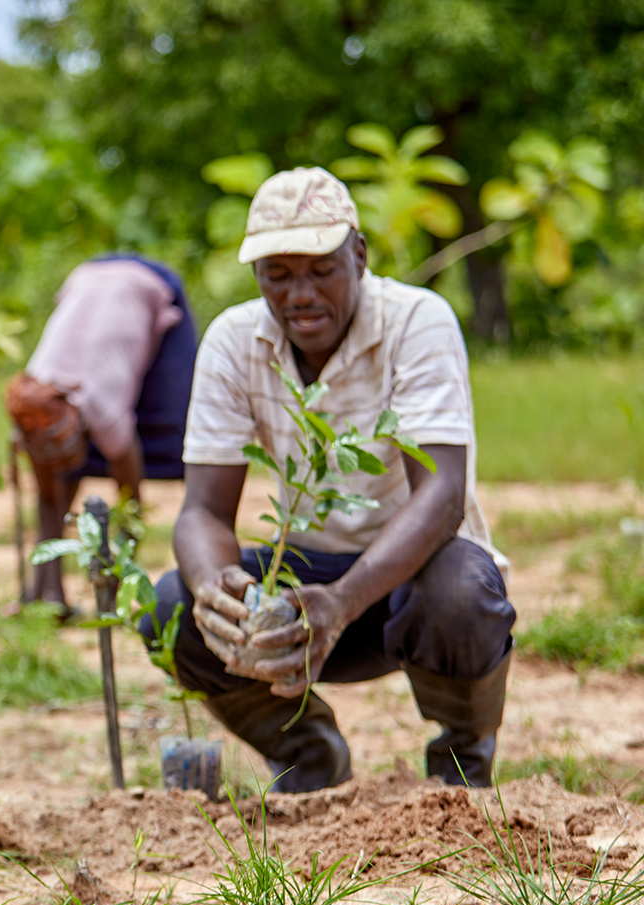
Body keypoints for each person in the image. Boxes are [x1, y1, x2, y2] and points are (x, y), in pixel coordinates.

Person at [148, 168, 514, 792]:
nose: (301, 295)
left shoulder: (416, 322)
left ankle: (461, 771)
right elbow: (203, 512)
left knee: (460, 591)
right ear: (256, 275)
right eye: (279, 275)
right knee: (174, 606)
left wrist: (342, 603)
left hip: (411, 588)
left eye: (322, 270)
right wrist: (218, 593)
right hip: (302, 591)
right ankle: (308, 755)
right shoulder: (234, 342)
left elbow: (442, 493)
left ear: (360, 256)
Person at [6, 256, 197, 608]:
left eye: (66, 451)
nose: (60, 462)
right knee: (59, 480)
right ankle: (50, 594)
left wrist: (117, 579)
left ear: (77, 423)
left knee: (178, 439)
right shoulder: (33, 411)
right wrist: (43, 594)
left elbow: (130, 502)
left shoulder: (101, 405)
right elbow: (48, 500)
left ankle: (188, 566)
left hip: (150, 282)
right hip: (83, 278)